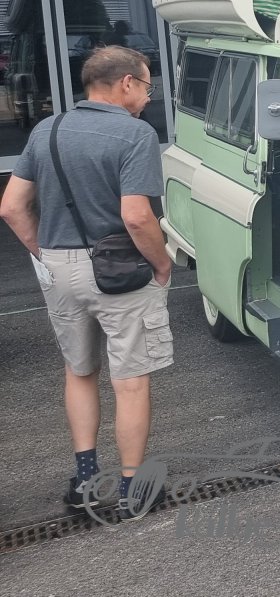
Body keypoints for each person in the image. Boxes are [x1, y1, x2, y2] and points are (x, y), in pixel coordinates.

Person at [0, 45, 172, 521]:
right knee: (130, 381)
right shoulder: (136, 134)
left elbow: (11, 207)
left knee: (79, 372)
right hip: (119, 272)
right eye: (147, 86)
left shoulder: (47, 129)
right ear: (126, 83)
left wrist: (45, 252)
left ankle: (84, 481)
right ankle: (132, 490)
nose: (148, 96)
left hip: (58, 266)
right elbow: (136, 217)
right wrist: (162, 264)